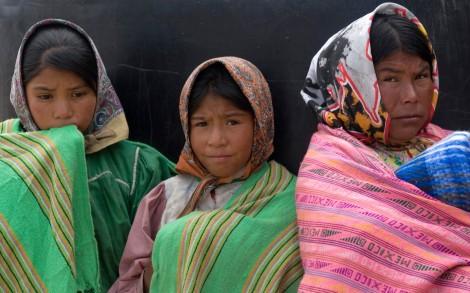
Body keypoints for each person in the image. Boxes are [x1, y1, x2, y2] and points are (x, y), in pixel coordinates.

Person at [296, 3, 470, 292]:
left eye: (421, 76)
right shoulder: (330, 166)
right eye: (390, 79)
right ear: (352, 82)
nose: (412, 96)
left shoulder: (453, 146)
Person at [0, 19, 175, 291]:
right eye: (45, 96)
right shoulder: (7, 163)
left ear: (100, 91)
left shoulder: (137, 167)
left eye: (78, 94)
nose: (63, 111)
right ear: (22, 95)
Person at [112, 57, 302, 292]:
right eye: (202, 124)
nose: (217, 140)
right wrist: (175, 260)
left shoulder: (289, 201)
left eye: (232, 122)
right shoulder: (166, 198)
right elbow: (128, 283)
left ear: (260, 124)